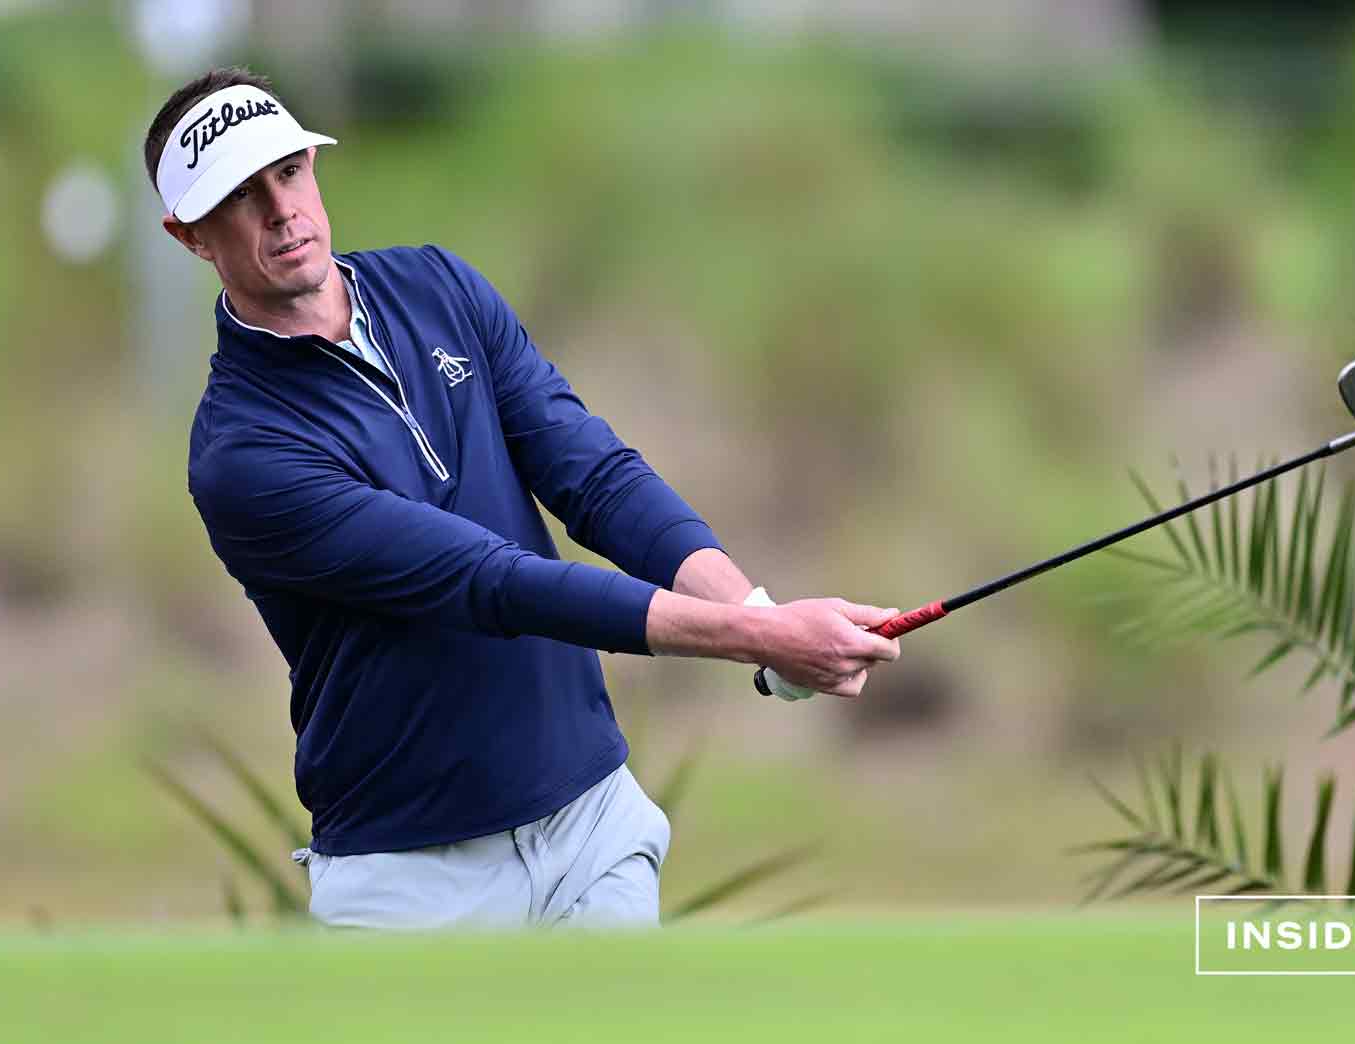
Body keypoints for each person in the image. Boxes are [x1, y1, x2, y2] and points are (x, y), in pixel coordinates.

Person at [143, 67, 900, 930]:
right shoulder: (245, 454)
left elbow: (594, 475)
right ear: (189, 234)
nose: (281, 210)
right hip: (409, 878)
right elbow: (490, 583)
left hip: (588, 822)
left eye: (288, 171)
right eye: (240, 196)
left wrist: (759, 615)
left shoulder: (438, 289)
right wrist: (762, 638)